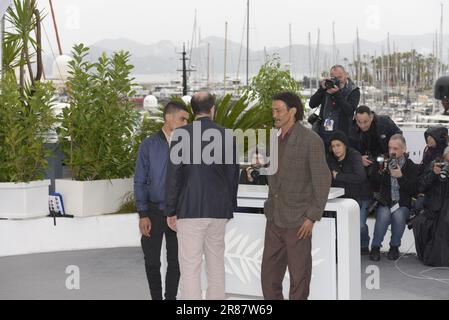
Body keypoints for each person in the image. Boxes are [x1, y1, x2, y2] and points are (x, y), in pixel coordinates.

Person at [165, 92, 240, 300]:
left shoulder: (180, 135)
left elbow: (173, 177)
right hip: (218, 211)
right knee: (216, 267)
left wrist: (171, 210)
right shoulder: (226, 135)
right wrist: (229, 206)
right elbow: (233, 174)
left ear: (192, 110)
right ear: (212, 109)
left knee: (190, 269)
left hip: (189, 210)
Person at [262, 91, 331, 300]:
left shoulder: (311, 140)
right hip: (274, 218)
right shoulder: (275, 139)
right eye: (273, 110)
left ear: (292, 111)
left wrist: (311, 217)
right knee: (268, 278)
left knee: (299, 279)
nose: (274, 114)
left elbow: (323, 181)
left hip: (299, 222)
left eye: (278, 110)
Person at [134, 101, 189, 300]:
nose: (185, 123)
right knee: (152, 261)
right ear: (169, 118)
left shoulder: (188, 146)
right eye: (182, 119)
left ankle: (171, 299)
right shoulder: (148, 145)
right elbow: (139, 180)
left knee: (176, 262)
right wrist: (143, 214)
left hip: (179, 213)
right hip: (153, 211)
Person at [369, 134, 418, 262]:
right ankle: (375, 247)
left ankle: (394, 247)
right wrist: (382, 171)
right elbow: (373, 183)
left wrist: (401, 177)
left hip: (402, 204)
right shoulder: (383, 161)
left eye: (395, 149)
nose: (392, 151)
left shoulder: (410, 166)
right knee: (384, 214)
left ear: (403, 149)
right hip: (385, 202)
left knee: (399, 215)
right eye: (390, 148)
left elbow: (414, 190)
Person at [326, 131, 370, 253]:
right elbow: (329, 178)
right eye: (333, 146)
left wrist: (338, 176)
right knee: (335, 223)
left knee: (360, 225)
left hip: (359, 196)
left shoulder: (354, 156)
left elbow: (360, 177)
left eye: (338, 145)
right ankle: (339, 248)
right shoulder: (330, 158)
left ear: (345, 145)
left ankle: (364, 244)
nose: (336, 149)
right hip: (340, 197)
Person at [413, 146, 449, 266]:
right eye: (447, 161)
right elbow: (421, 187)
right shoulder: (434, 165)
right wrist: (433, 174)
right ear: (443, 158)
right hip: (434, 208)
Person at [308, 65, 360, 147]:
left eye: (339, 77)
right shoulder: (327, 88)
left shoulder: (353, 90)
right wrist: (322, 89)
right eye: (333, 77)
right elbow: (312, 104)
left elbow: (349, 110)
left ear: (346, 75)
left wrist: (337, 94)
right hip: (323, 133)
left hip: (342, 135)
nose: (337, 80)